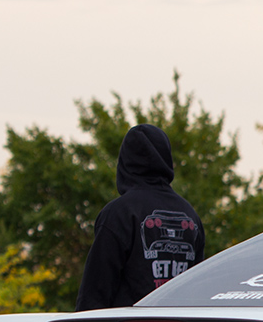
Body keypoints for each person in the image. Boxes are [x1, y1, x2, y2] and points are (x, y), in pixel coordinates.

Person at [75, 124, 206, 310]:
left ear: (125, 163)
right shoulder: (190, 216)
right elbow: (196, 289)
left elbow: (95, 293)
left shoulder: (119, 214)